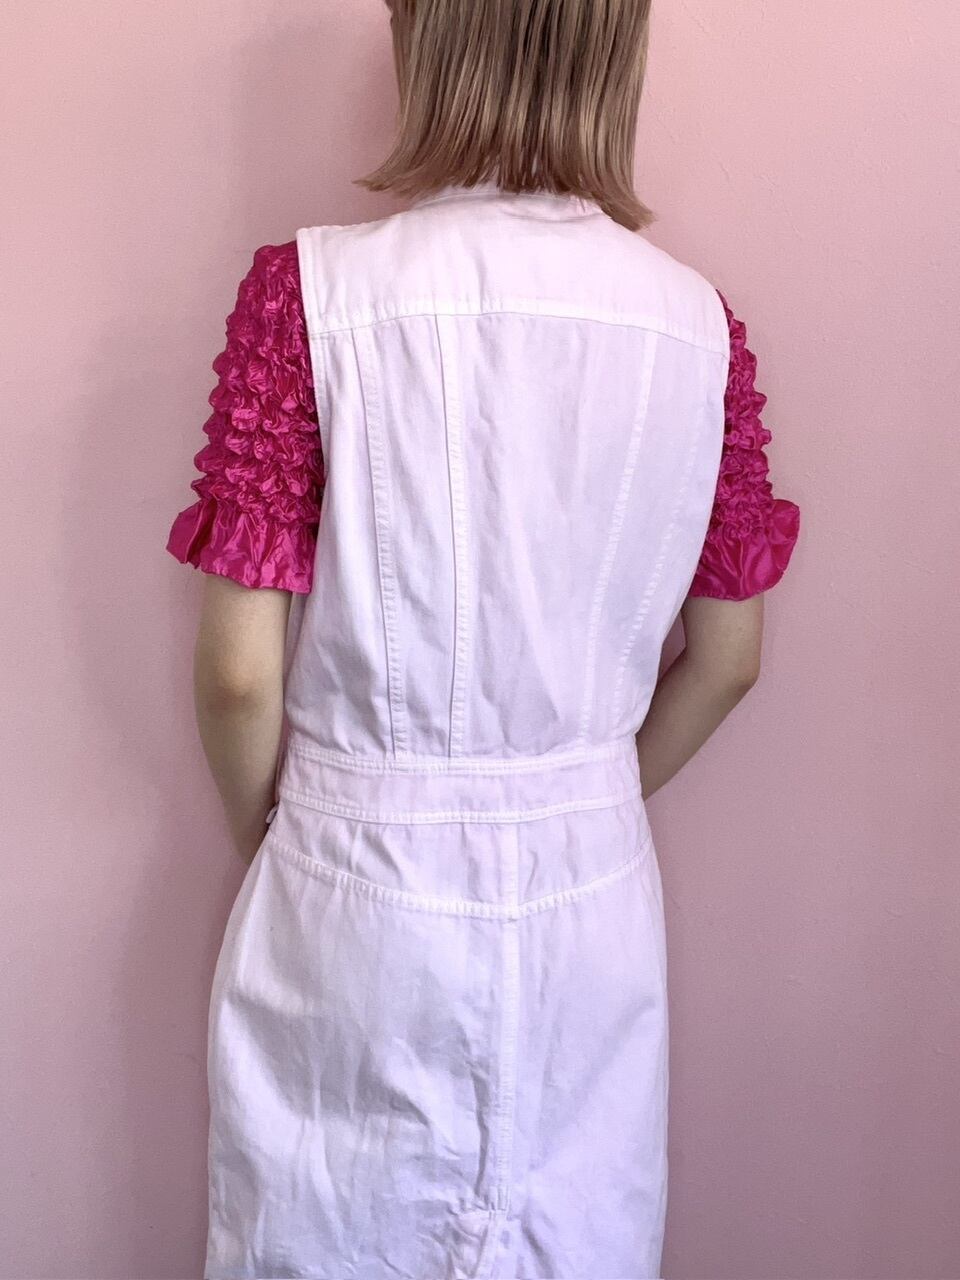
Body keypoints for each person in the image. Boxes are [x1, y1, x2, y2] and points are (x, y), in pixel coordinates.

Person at [165, 1, 800, 1275]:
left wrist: (276, 826)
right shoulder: (698, 328)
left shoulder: (311, 296)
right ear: (615, 55)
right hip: (592, 894)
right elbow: (729, 657)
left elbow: (238, 670)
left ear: (427, 41)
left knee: (324, 1233)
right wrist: (584, 789)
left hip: (358, 875)